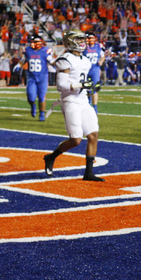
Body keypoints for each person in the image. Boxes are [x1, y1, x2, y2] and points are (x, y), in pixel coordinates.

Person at [43, 30, 104, 182]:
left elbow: (82, 82)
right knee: (76, 140)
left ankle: (88, 173)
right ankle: (51, 157)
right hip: (70, 101)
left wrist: (90, 87)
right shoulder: (65, 59)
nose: (83, 42)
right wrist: (81, 84)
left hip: (83, 100)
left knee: (93, 135)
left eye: (83, 39)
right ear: (70, 41)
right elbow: (61, 85)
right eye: (79, 39)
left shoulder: (85, 60)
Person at [19, 35, 54, 121]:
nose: (37, 44)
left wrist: (57, 65)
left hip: (43, 77)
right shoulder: (28, 50)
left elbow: (52, 61)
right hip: (31, 77)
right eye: (35, 42)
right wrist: (18, 65)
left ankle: (42, 113)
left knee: (42, 97)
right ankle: (33, 105)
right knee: (31, 97)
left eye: (38, 42)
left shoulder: (45, 51)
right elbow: (23, 60)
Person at [83, 32, 105, 113]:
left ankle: (95, 107)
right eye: (89, 38)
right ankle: (88, 103)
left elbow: (103, 56)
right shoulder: (84, 47)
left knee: (95, 89)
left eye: (92, 38)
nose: (91, 40)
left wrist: (101, 61)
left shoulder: (99, 46)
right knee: (87, 89)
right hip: (86, 70)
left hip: (95, 69)